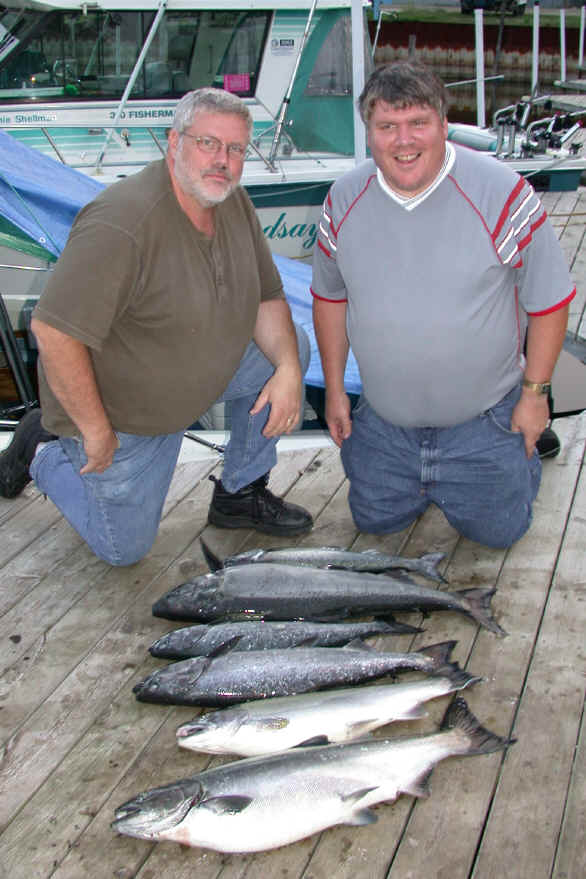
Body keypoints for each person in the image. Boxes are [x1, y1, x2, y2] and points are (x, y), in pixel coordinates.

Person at [0, 87, 313, 564]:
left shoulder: (233, 202)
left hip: (192, 379)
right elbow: (53, 332)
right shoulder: (122, 223)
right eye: (208, 143)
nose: (222, 160)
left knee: (291, 351)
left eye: (235, 148)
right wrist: (96, 430)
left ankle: (240, 493)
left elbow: (267, 297)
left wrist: (288, 369)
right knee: (123, 549)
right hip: (125, 417)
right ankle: (42, 449)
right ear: (174, 141)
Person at [311, 62, 574, 548]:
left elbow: (550, 301)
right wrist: (333, 390)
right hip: (384, 425)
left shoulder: (504, 193)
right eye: (387, 126)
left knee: (499, 533)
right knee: (374, 523)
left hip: (484, 421)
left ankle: (519, 462)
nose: (403, 140)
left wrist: (535, 395)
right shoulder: (342, 199)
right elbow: (329, 297)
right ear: (368, 131)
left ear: (444, 124)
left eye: (418, 123)